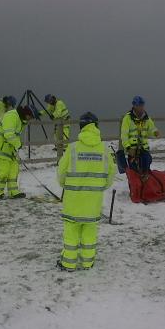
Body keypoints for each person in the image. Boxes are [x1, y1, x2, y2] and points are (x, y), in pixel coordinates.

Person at [57, 112, 116, 271]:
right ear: (96, 126)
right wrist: (100, 187)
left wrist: (65, 185)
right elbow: (111, 173)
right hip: (93, 202)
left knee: (71, 233)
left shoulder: (73, 147)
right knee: (89, 233)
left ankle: (68, 264)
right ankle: (87, 262)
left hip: (73, 201)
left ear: (81, 127)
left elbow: (61, 172)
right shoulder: (104, 149)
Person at [0, 105, 35, 199]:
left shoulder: (21, 120)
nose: (31, 119)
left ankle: (14, 192)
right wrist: (18, 145)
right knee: (3, 171)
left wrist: (16, 147)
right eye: (31, 117)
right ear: (26, 114)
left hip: (9, 149)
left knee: (14, 169)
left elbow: (14, 136)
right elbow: (9, 135)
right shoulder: (12, 116)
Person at [120, 96, 160, 174]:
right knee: (133, 172)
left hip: (144, 148)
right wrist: (128, 148)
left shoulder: (146, 118)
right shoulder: (127, 118)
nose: (141, 107)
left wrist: (155, 132)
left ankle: (145, 182)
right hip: (132, 150)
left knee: (146, 167)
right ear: (134, 106)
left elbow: (152, 128)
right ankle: (135, 185)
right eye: (138, 105)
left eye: (142, 105)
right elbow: (124, 135)